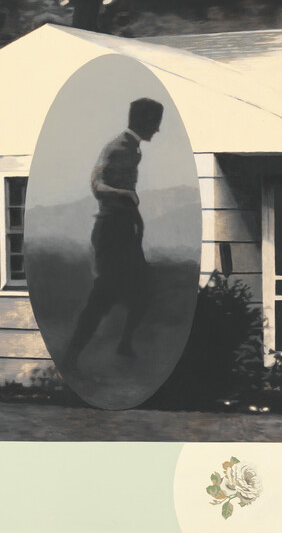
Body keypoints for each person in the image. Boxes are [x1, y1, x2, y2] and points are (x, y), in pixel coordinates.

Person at [63, 98, 163, 368]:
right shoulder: (118, 147)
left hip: (125, 229)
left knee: (144, 290)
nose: (157, 130)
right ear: (143, 121)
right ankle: (71, 356)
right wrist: (125, 194)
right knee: (103, 296)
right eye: (155, 123)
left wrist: (136, 221)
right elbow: (97, 185)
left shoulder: (135, 150)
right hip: (110, 231)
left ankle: (124, 344)